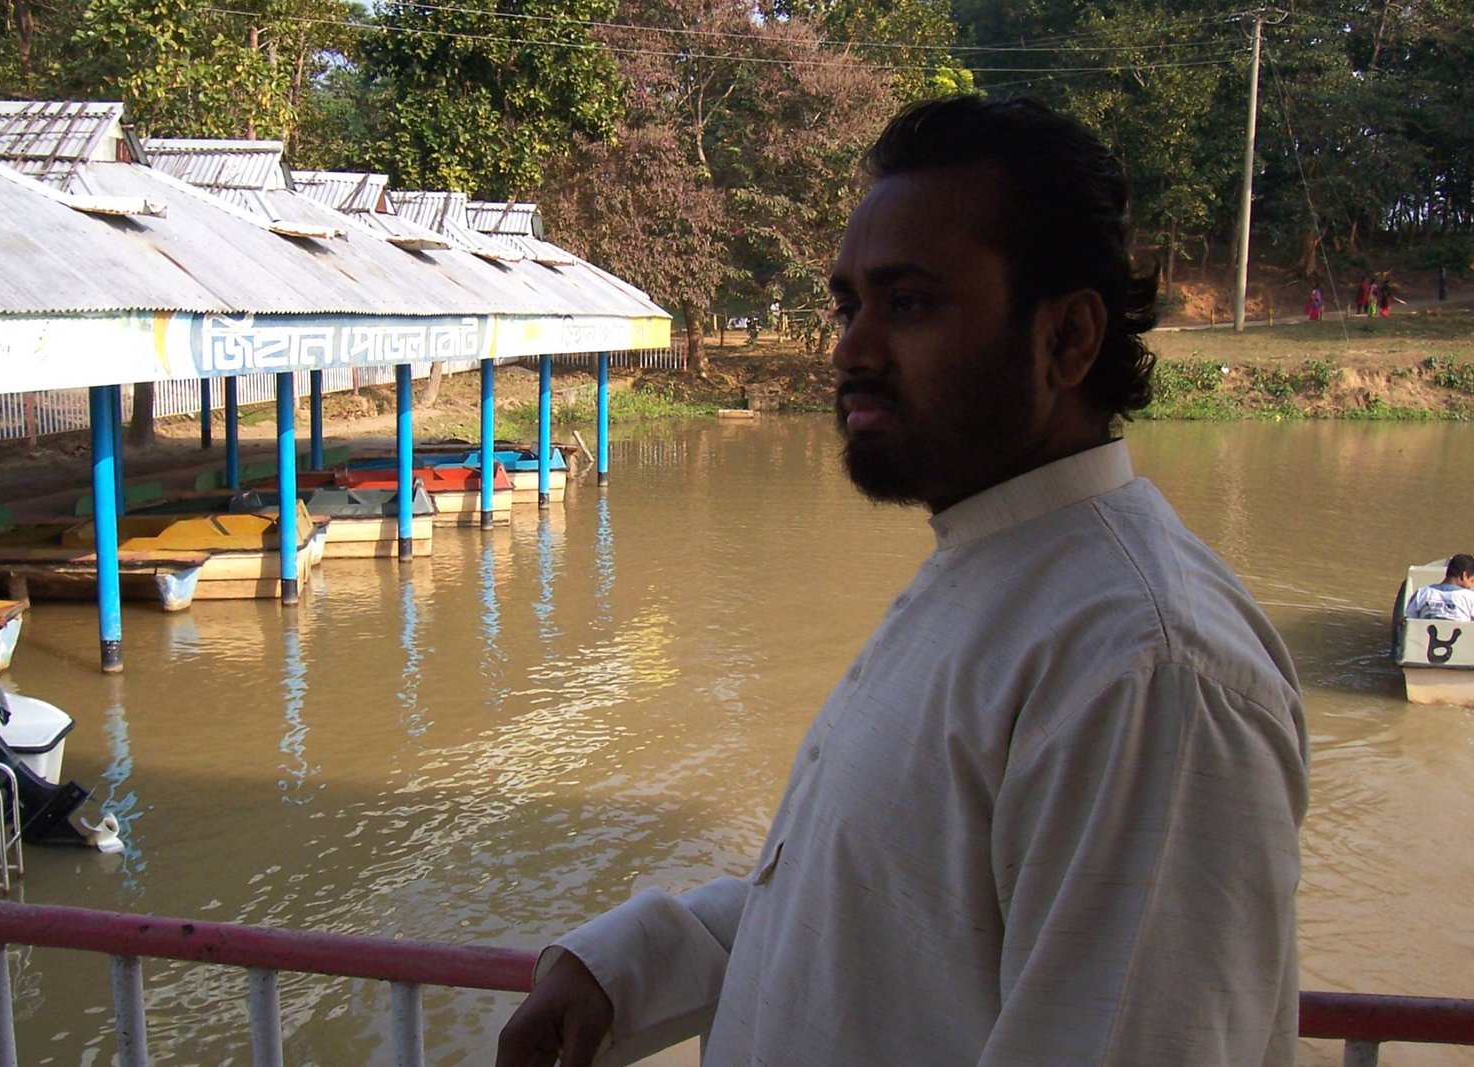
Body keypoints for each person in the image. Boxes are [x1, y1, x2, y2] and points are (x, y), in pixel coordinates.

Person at [496, 96, 1308, 1067]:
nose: (850, 348)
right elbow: (869, 897)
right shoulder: (991, 566)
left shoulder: (1144, 669)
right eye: (848, 306)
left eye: (910, 302)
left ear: (1067, 340)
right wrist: (626, 967)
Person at [1405, 554, 1474, 621]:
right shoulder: (1470, 597)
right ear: (1464, 575)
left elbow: (1409, 621)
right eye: (1472, 580)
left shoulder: (1422, 593)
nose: (1470, 586)